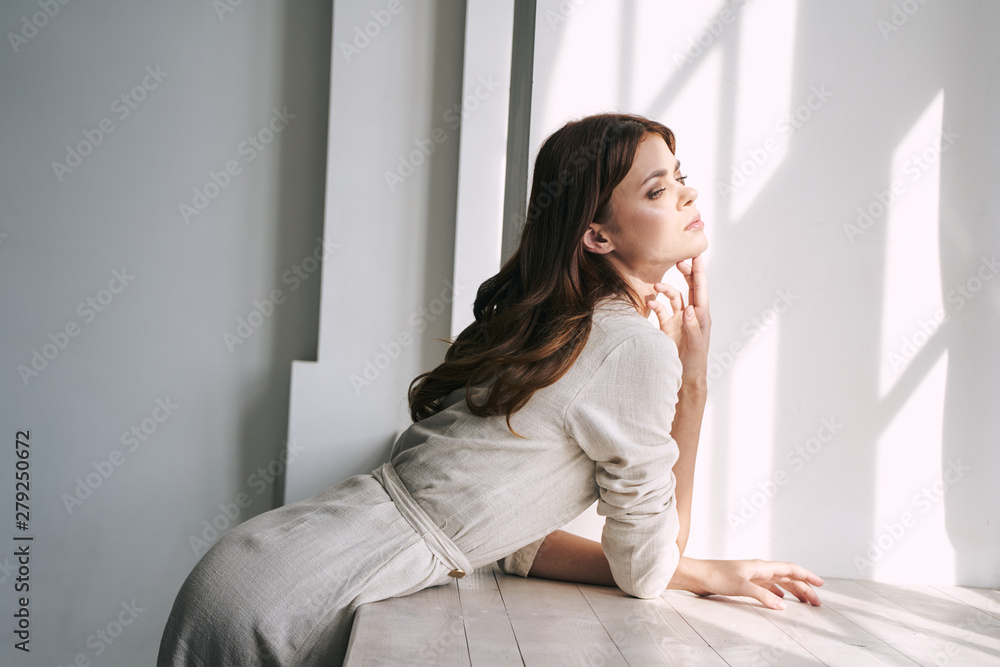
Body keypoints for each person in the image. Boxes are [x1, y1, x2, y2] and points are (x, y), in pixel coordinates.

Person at [157, 112, 823, 666]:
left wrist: (702, 571)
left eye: (680, 179)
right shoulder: (633, 349)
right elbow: (644, 573)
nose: (687, 196)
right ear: (597, 234)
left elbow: (514, 540)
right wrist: (695, 378)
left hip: (256, 565)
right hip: (292, 601)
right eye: (656, 190)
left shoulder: (555, 327)